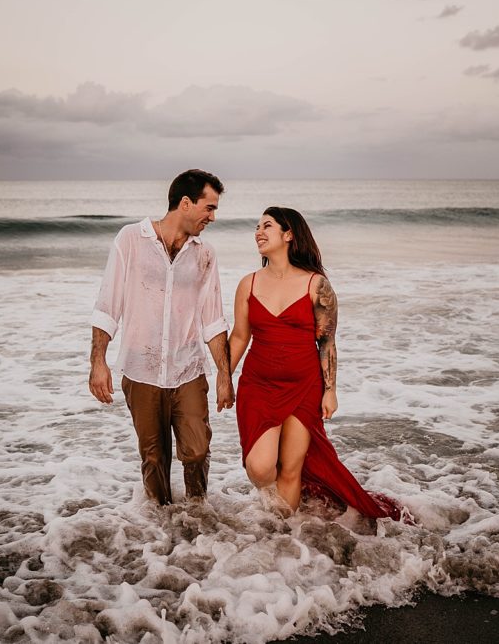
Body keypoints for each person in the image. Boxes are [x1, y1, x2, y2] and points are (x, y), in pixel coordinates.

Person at [229, 207, 401, 520]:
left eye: (267, 226)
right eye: (256, 227)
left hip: (304, 385)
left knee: (291, 469)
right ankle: (272, 506)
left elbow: (327, 342)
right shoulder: (248, 284)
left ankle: (282, 532)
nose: (258, 232)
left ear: (289, 234)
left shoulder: (316, 285)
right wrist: (223, 377)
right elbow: (240, 336)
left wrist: (330, 390)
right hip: (259, 383)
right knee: (260, 466)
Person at [88, 169, 234, 505]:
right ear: (185, 203)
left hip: (188, 370)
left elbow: (213, 319)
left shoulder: (205, 253)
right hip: (141, 370)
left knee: (197, 451)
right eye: (209, 208)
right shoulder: (130, 239)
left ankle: (198, 516)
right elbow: (108, 305)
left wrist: (225, 375)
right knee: (154, 459)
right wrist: (98, 361)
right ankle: (161, 526)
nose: (212, 217)